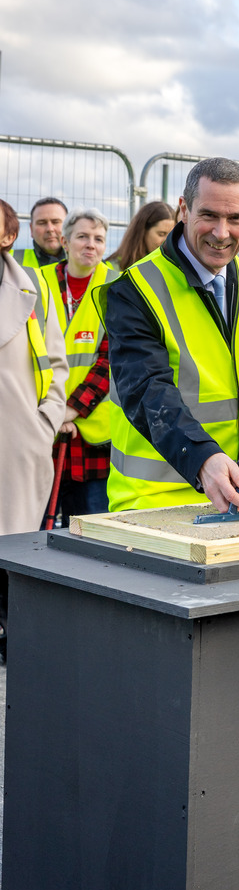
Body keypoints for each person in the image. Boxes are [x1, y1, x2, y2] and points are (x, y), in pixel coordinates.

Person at [101, 157, 239, 512]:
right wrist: (203, 459)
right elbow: (146, 388)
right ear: (184, 210)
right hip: (153, 502)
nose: (222, 232)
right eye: (209, 215)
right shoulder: (134, 289)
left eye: (236, 219)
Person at [0, 200, 68, 660]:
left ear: (8, 237)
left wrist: (45, 420)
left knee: (11, 543)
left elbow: (57, 364)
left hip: (15, 436)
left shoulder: (33, 292)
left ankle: (8, 630)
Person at [41, 207, 115, 528]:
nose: (91, 245)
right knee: (34, 527)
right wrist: (54, 410)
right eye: (83, 236)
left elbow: (111, 359)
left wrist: (71, 410)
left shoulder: (115, 285)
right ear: (65, 241)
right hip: (43, 424)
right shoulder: (39, 283)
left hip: (93, 435)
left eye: (98, 239)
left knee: (93, 526)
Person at [105, 201, 176, 272]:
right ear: (143, 232)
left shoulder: (174, 268)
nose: (167, 241)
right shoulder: (112, 269)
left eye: (171, 235)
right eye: (161, 234)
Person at [12, 196, 68, 268]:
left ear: (68, 226)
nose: (50, 229)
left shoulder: (84, 260)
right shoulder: (9, 260)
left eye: (56, 222)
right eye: (42, 223)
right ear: (31, 229)